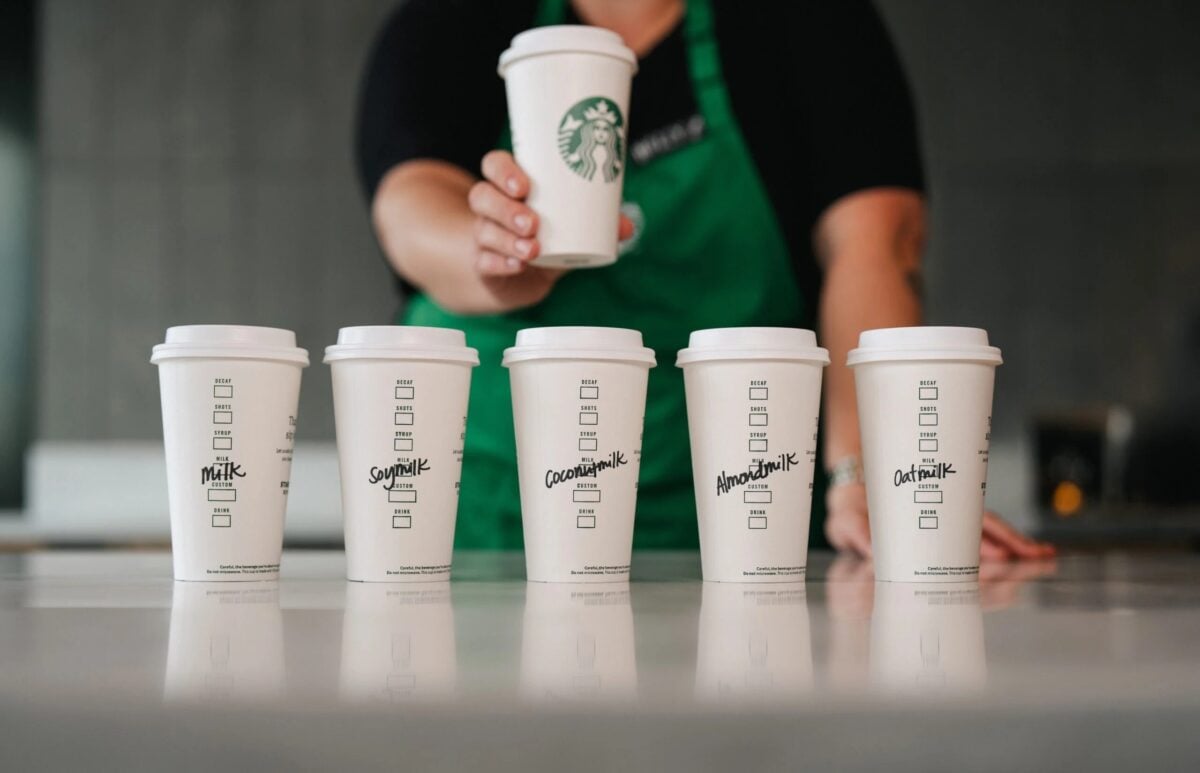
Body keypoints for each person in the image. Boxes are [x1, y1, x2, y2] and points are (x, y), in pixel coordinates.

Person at [355, 0, 1055, 560]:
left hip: (747, 530)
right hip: (480, 536)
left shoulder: (807, 22)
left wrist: (869, 471)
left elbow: (874, 246)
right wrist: (494, 253)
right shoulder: (449, 21)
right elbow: (411, 203)